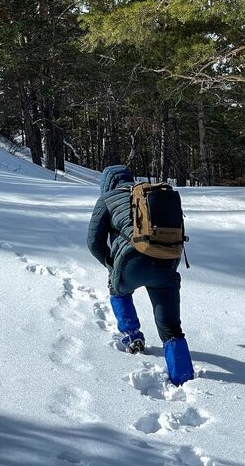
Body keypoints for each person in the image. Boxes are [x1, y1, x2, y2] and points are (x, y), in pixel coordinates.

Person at [87, 164, 194, 386]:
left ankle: (132, 335)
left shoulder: (107, 199)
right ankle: (182, 377)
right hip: (166, 262)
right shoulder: (148, 195)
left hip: (131, 262)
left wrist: (110, 264)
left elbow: (94, 243)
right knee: (171, 327)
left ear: (107, 183)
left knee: (117, 289)